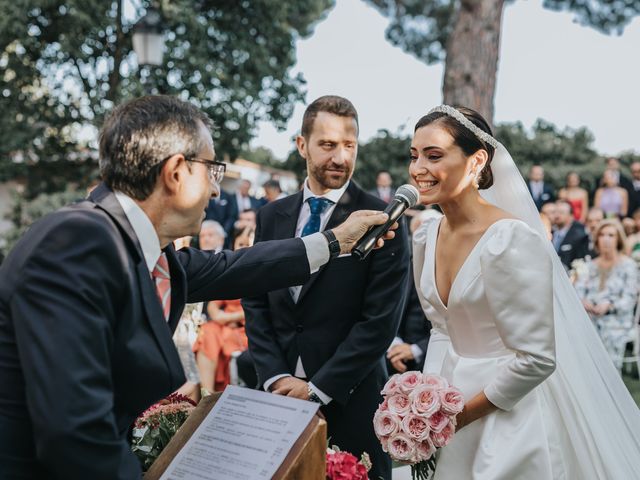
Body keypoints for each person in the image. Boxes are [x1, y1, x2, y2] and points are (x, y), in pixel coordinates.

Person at [0, 95, 395, 479]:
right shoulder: (76, 242)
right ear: (176, 172)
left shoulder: (146, 251)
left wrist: (336, 240)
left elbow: (238, 266)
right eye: (212, 170)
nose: (216, 190)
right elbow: (75, 434)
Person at [409, 104, 640, 479]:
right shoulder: (425, 236)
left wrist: (461, 415)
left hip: (507, 414)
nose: (417, 168)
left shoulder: (510, 239)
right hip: (448, 406)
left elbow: (537, 359)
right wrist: (429, 401)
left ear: (476, 161)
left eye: (433, 155)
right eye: (414, 155)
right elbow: (441, 329)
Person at [243, 95, 410, 480]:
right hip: (276, 398)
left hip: (351, 401)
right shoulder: (271, 216)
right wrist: (274, 377)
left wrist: (316, 389)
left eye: (349, 145)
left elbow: (379, 323)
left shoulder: (382, 220)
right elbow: (255, 301)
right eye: (328, 144)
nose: (340, 157)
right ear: (302, 145)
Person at [193, 226, 255, 393]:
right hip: (225, 327)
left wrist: (235, 316)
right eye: (240, 243)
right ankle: (208, 395)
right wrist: (235, 317)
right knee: (208, 331)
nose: (245, 248)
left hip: (249, 329)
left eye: (249, 243)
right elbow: (214, 312)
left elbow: (256, 311)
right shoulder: (231, 273)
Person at [574, 219, 639, 371]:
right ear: (597, 239)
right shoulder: (589, 266)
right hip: (590, 318)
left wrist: (609, 306)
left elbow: (629, 299)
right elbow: (578, 292)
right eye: (602, 235)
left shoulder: (628, 265)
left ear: (618, 239)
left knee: (607, 335)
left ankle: (609, 381)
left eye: (611, 235)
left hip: (617, 320)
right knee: (577, 335)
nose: (606, 239)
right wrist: (583, 302)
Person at [551, 200, 590, 270]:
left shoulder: (579, 236)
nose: (557, 215)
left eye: (561, 213)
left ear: (571, 216)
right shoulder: (549, 232)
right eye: (555, 212)